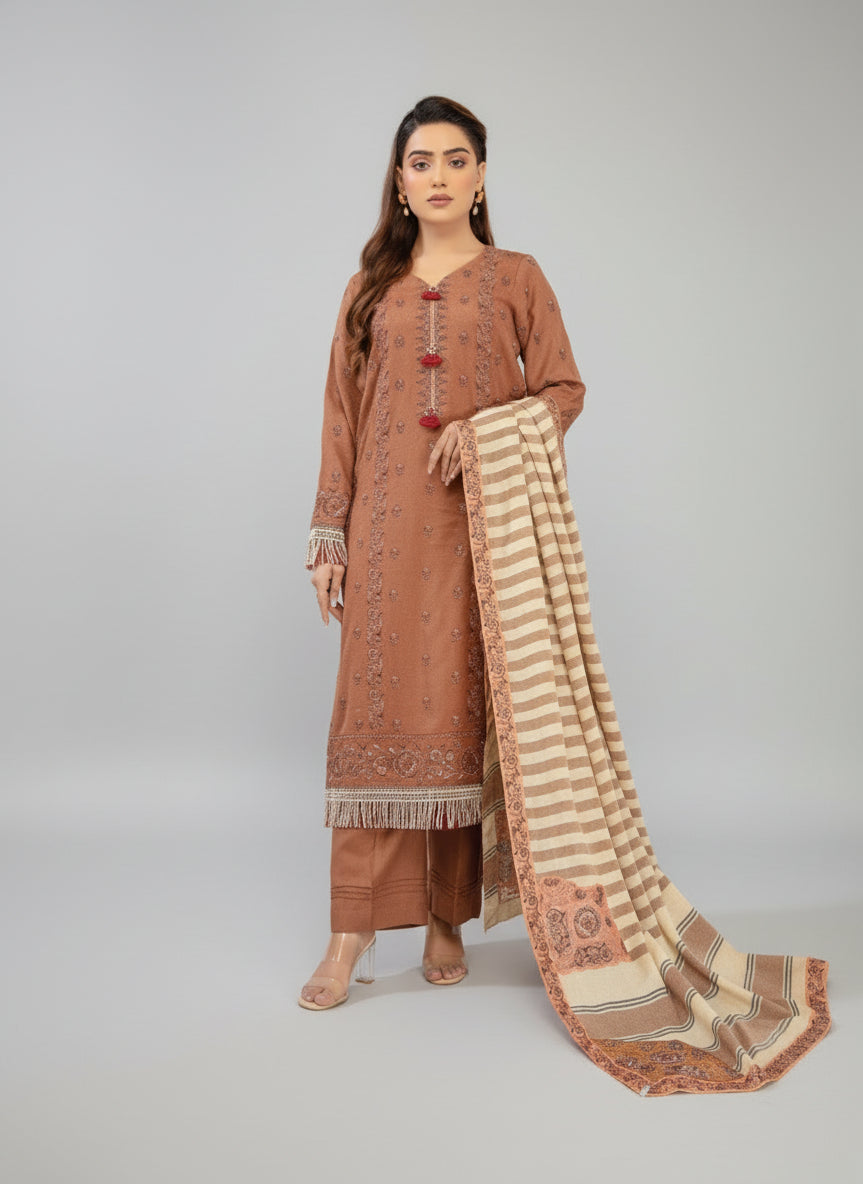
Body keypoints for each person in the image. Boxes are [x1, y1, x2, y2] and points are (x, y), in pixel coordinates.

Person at [299, 95, 586, 1010]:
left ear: (481, 174)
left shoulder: (515, 278)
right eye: (420, 162)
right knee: (371, 728)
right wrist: (326, 534)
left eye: (455, 160)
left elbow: (563, 389)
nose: (437, 177)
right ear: (399, 178)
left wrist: (491, 430)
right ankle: (348, 936)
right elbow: (340, 418)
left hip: (477, 536)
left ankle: (445, 917)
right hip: (382, 536)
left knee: (461, 725)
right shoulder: (368, 287)